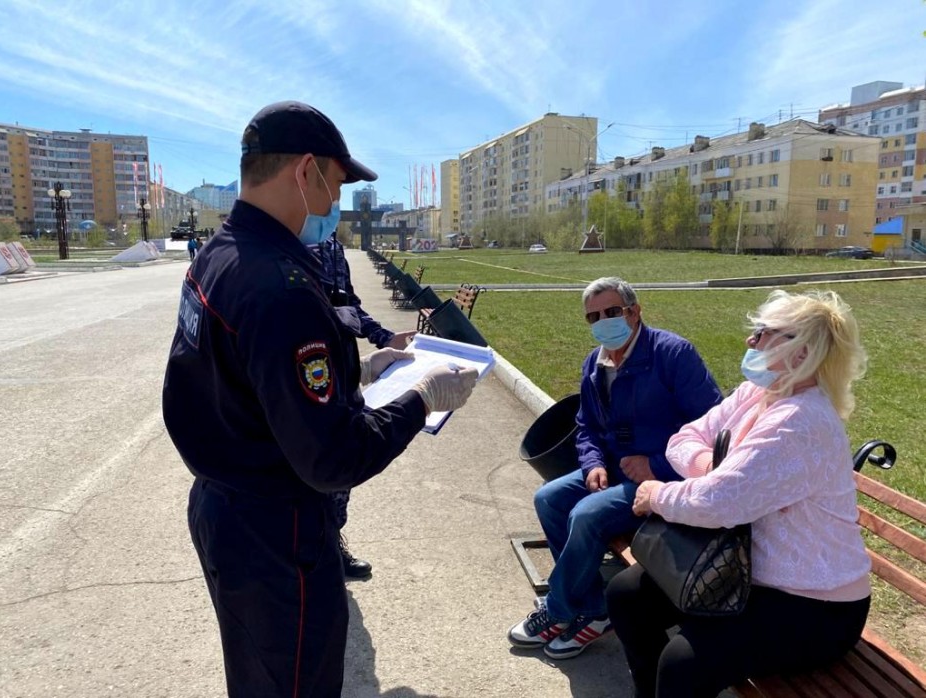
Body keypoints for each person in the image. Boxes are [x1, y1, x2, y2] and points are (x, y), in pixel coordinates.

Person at [161, 100, 478, 698]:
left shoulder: (221, 254)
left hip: (227, 506)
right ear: (305, 171)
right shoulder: (279, 285)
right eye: (335, 183)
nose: (335, 203)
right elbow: (333, 457)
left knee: (259, 678)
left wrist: (356, 371)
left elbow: (248, 380)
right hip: (276, 534)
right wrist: (422, 397)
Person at [607, 289, 871, 698]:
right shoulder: (759, 393)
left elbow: (718, 503)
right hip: (747, 570)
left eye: (763, 333)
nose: (751, 341)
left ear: (800, 353)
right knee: (626, 597)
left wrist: (656, 494)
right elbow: (685, 438)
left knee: (683, 664)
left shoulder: (801, 422)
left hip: (813, 604)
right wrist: (715, 468)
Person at [508, 277, 723, 660]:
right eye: (593, 316)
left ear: (635, 312)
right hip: (614, 469)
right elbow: (587, 425)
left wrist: (655, 464)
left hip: (662, 480)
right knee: (549, 498)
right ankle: (593, 608)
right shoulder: (596, 363)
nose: (602, 322)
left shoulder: (672, 354)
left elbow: (712, 426)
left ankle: (558, 609)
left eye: (611, 312)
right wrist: (591, 463)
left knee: (586, 514)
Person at [311, 234, 416, 578]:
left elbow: (348, 303)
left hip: (340, 374)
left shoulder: (331, 246)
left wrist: (384, 338)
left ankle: (330, 544)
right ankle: (313, 556)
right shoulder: (287, 246)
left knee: (339, 478)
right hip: (310, 370)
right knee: (316, 469)